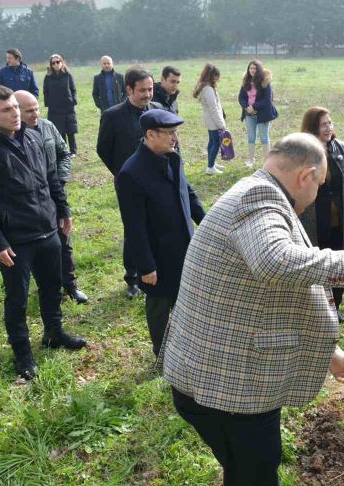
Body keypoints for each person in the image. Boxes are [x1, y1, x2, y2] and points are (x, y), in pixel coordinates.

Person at [159, 133, 344, 486]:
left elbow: (269, 292)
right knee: (256, 473)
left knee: (245, 470)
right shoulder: (258, 198)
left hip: (220, 381)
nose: (317, 193)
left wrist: (330, 352)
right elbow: (274, 261)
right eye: (319, 184)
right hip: (229, 391)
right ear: (305, 176)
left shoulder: (259, 193)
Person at [0, 85, 85, 380]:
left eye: (15, 107)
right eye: (6, 109)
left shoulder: (33, 137)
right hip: (15, 240)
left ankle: (54, 334)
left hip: (47, 229)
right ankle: (23, 354)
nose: (15, 114)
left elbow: (50, 178)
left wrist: (63, 209)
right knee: (17, 298)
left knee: (52, 287)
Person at [116, 109, 205, 357]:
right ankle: (162, 352)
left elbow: (188, 193)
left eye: (176, 132)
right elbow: (134, 226)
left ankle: (184, 345)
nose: (175, 138)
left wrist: (206, 223)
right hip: (157, 254)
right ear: (150, 135)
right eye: (170, 133)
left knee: (184, 298)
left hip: (184, 245)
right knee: (159, 304)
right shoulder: (131, 174)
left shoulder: (172, 157)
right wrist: (146, 266)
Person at [15, 90, 89, 305]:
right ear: (16, 110)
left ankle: (70, 284)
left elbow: (64, 153)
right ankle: (46, 286)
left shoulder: (48, 127)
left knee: (63, 239)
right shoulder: (11, 137)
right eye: (29, 111)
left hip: (55, 193)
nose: (35, 114)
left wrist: (61, 179)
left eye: (37, 108)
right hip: (29, 202)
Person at [97, 67, 164, 298]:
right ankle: (132, 278)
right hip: (130, 185)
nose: (147, 94)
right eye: (142, 90)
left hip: (158, 181)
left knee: (157, 224)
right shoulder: (112, 116)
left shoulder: (157, 110)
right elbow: (103, 149)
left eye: (151, 89)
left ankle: (155, 268)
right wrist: (121, 172)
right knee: (134, 228)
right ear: (129, 89)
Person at [298, 107, 344, 322]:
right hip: (314, 223)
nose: (329, 128)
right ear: (312, 128)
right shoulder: (303, 154)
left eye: (330, 123)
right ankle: (318, 308)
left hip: (341, 220)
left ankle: (335, 305)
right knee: (318, 263)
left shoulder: (342, 149)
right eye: (323, 125)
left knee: (339, 260)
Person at [238, 60, 279, 168]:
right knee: (251, 138)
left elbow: (267, 99)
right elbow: (241, 97)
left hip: (263, 114)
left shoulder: (265, 82)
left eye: (255, 68)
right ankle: (251, 161)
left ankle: (267, 163)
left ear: (259, 70)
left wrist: (254, 106)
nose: (252, 70)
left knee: (264, 138)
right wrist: (247, 107)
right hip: (248, 114)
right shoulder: (245, 81)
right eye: (250, 68)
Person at [193, 63, 226, 175]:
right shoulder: (208, 90)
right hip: (213, 120)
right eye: (216, 76)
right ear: (211, 76)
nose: (217, 79)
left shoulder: (205, 87)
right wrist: (221, 124)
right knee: (216, 143)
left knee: (212, 141)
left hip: (209, 119)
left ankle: (211, 162)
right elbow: (213, 108)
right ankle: (210, 167)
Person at [42, 54, 79, 156]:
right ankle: (65, 150)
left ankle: (73, 151)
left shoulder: (67, 75)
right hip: (55, 108)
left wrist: (73, 100)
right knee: (59, 130)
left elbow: (73, 89)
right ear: (51, 65)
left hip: (68, 106)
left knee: (70, 130)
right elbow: (46, 91)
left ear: (62, 62)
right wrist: (48, 103)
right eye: (53, 63)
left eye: (58, 62)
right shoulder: (48, 77)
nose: (56, 64)